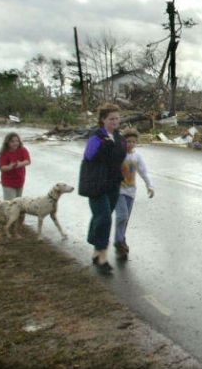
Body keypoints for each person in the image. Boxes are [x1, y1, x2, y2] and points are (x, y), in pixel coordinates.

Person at [78, 103, 127, 274]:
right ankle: (102, 258)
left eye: (117, 118)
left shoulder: (120, 137)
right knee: (104, 217)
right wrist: (104, 146)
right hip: (96, 184)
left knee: (100, 217)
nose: (115, 121)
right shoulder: (96, 136)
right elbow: (89, 156)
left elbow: (120, 159)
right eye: (111, 118)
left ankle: (95, 249)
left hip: (113, 184)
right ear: (103, 120)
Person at [113, 128, 155, 261]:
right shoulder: (119, 155)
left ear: (136, 142)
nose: (130, 144)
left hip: (131, 192)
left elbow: (144, 172)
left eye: (133, 142)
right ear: (123, 142)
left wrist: (150, 186)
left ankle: (121, 241)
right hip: (118, 191)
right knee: (122, 215)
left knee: (125, 219)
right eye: (127, 141)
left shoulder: (137, 156)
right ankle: (118, 241)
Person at [0, 132, 31, 200]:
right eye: (12, 141)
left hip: (20, 181)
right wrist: (10, 167)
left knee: (18, 203)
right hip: (8, 182)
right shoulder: (4, 153)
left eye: (17, 141)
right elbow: (2, 168)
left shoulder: (22, 150)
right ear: (7, 143)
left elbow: (28, 161)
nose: (15, 143)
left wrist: (19, 164)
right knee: (10, 204)